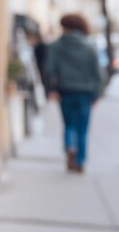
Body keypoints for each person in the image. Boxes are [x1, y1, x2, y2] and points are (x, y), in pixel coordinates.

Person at [45, 13, 102, 174]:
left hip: (65, 91)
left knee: (69, 124)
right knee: (82, 128)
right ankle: (80, 161)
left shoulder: (57, 45)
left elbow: (50, 70)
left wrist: (52, 89)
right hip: (85, 92)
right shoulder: (89, 46)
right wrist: (97, 94)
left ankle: (70, 146)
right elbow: (98, 73)